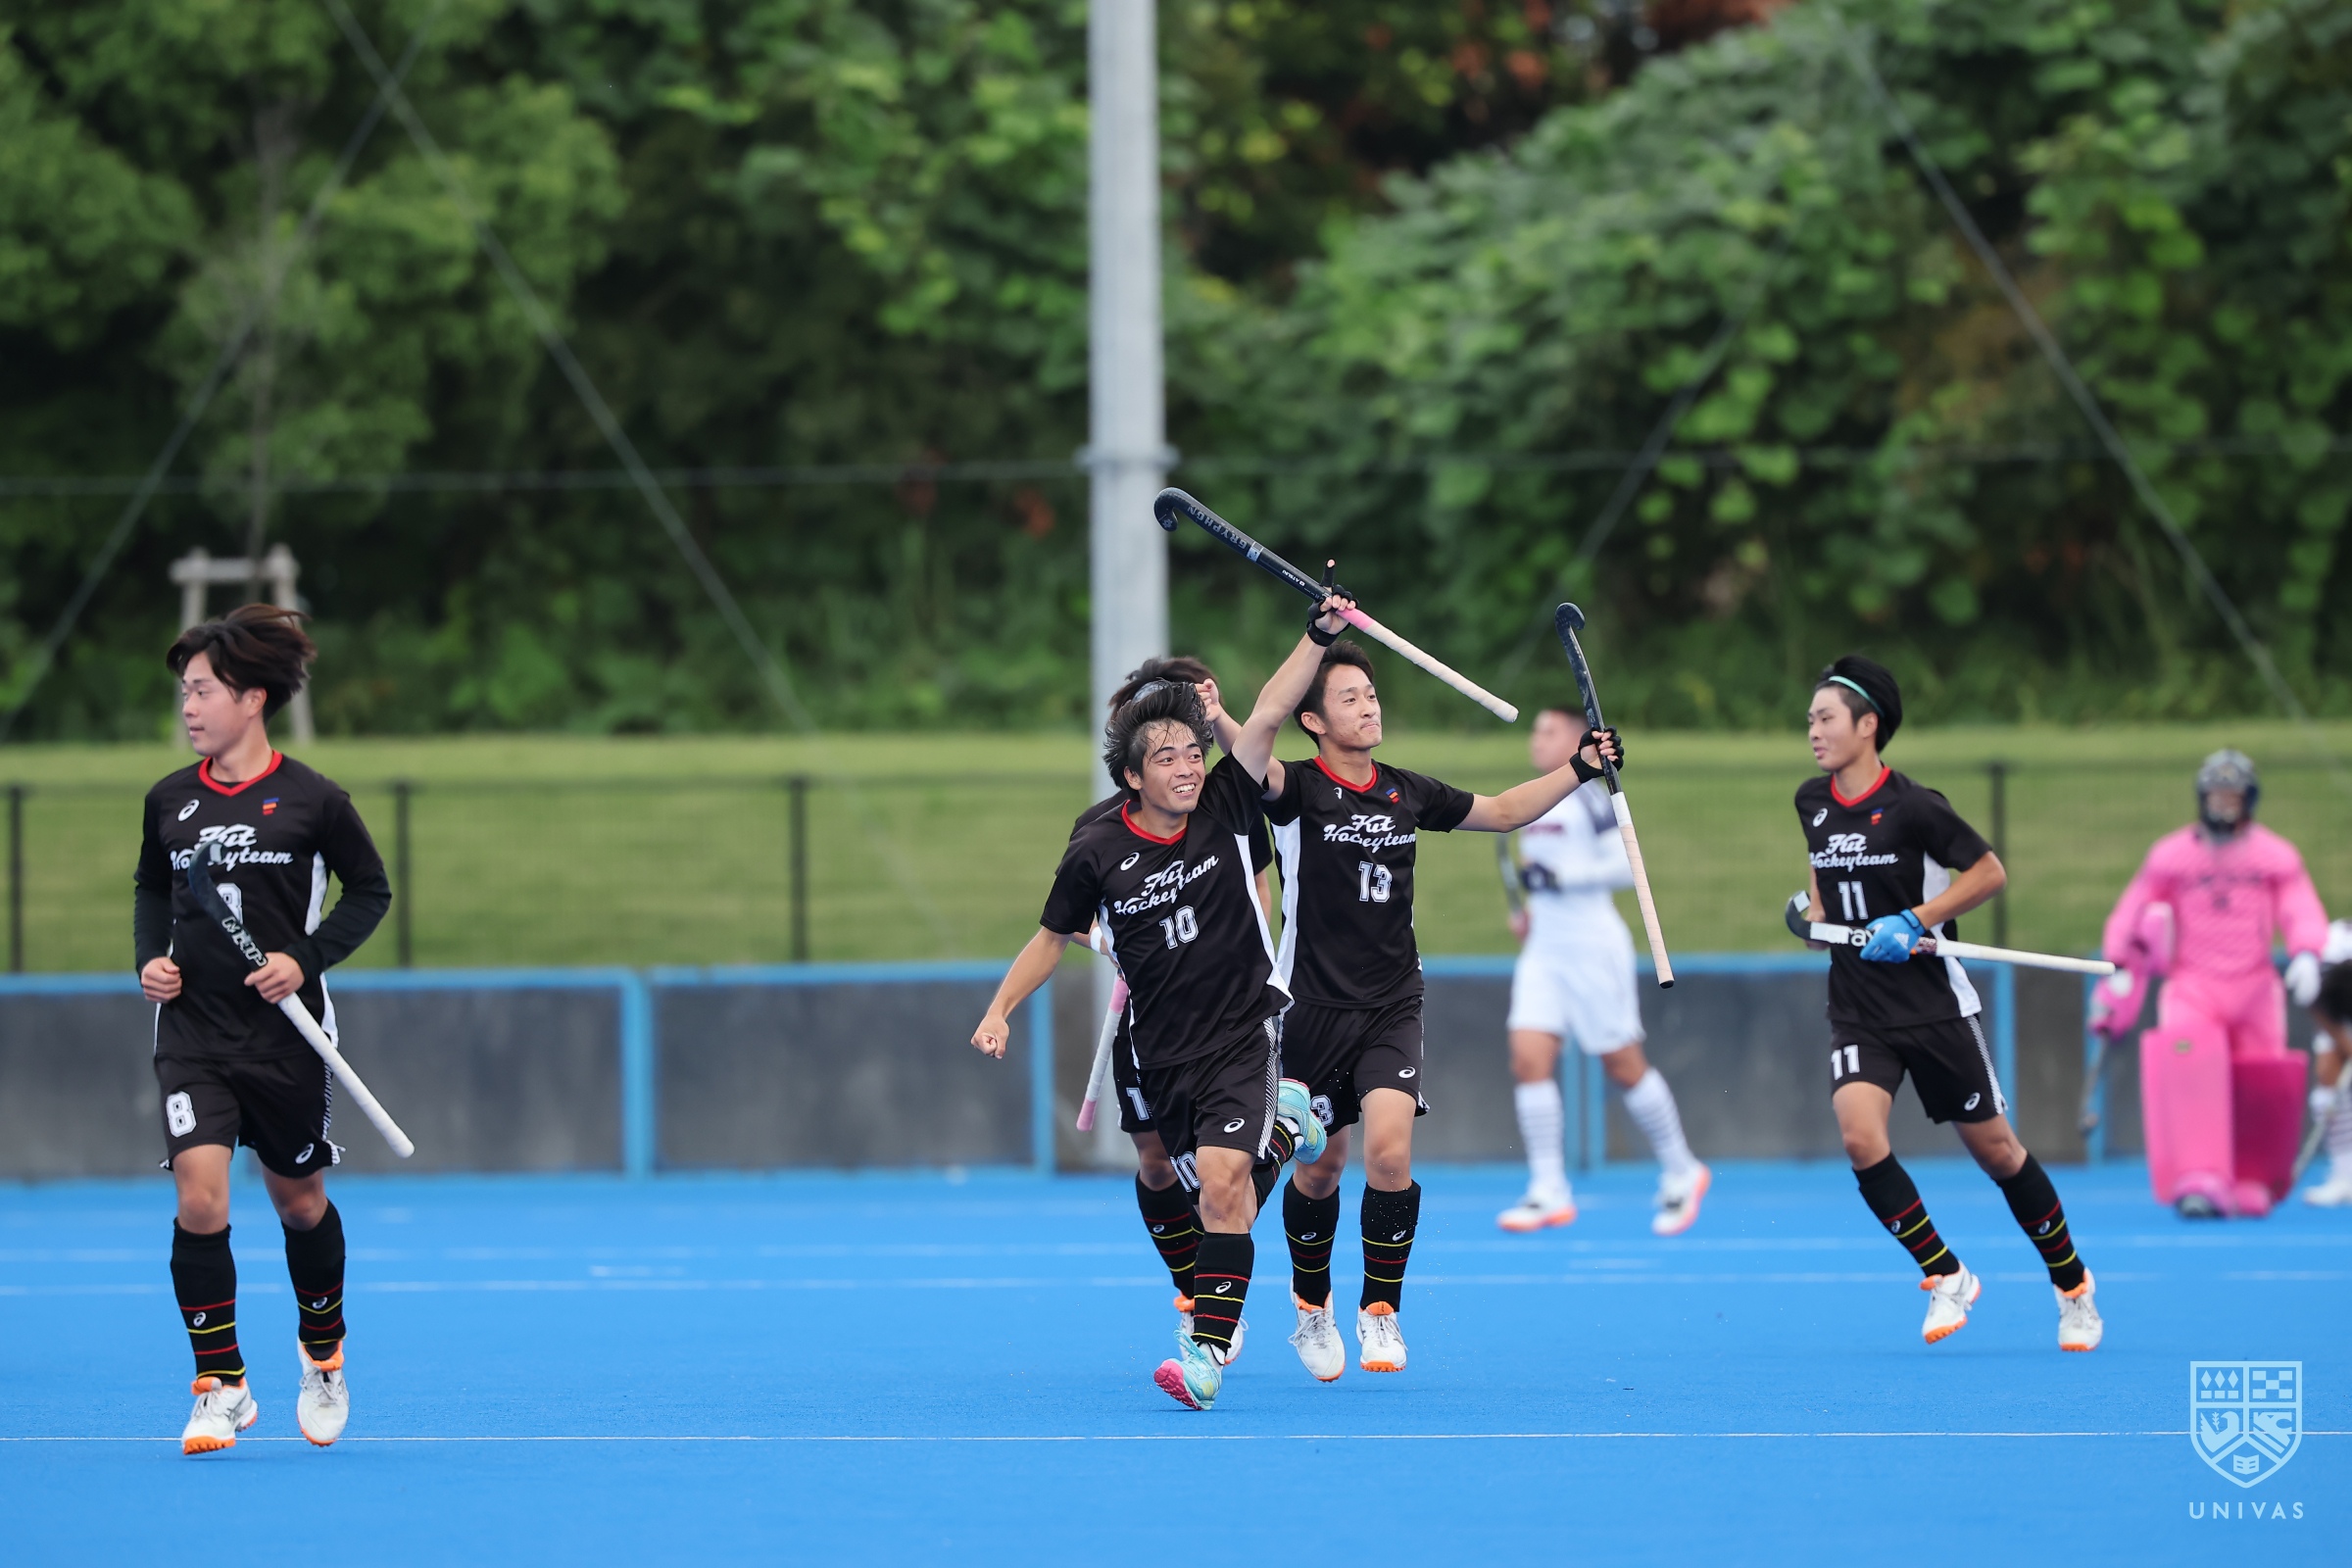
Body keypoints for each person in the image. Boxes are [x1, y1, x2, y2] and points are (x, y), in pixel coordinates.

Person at [970, 593, 1351, 1410]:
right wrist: (1000, 1008)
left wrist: (1318, 635)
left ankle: (1205, 1355)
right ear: (1132, 777)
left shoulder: (1226, 800)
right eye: (1167, 758)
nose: (1186, 767)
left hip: (1243, 1032)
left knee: (1221, 1185)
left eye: (1192, 752)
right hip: (1161, 1046)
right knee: (1205, 1185)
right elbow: (1051, 937)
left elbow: (1271, 713)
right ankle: (1288, 1129)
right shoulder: (1096, 847)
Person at [1259, 642, 1622, 1381]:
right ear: (1314, 720)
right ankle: (1311, 1304)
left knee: (1390, 1155)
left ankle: (1380, 1310)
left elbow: (1505, 811)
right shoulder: (1292, 790)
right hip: (1311, 1009)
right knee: (1321, 1169)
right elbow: (1258, 729)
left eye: (1371, 694)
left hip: (1392, 1003)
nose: (1369, 706)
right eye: (1350, 698)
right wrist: (1310, 643)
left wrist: (1580, 767)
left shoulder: (1406, 790)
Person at [135, 606, 391, 1453]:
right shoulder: (169, 800)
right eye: (184, 691)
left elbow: (370, 891)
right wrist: (150, 959)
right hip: (194, 1035)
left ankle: (324, 1354)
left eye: (202, 690)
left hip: (288, 1038)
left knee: (299, 1203)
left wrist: (304, 960)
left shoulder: (314, 799)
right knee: (200, 1198)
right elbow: (151, 889)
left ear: (251, 698)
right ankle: (221, 1383)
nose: (188, 706)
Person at [1797, 656, 2101, 1351]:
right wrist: (1811, 920)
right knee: (1859, 1136)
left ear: (1868, 725)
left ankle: (2072, 1285)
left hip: (1934, 1007)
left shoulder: (1915, 806)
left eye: (1826, 718)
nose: (1813, 730)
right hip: (1858, 1008)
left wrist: (1916, 920)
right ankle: (1946, 1273)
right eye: (1810, 719)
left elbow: (1989, 872)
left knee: (1998, 1153)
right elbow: (1822, 891)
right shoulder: (1811, 802)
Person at [1078, 657, 1285, 1353]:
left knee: (1220, 1181)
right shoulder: (1097, 828)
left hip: (1225, 1015)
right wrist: (1109, 940)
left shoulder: (1218, 804)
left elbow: (1257, 886)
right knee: (1157, 1162)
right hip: (1150, 1019)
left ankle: (1212, 1318)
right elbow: (1073, 918)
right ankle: (1195, 1287)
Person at [1495, 705, 1711, 1238]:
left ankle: (1682, 1169)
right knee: (1528, 1058)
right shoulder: (1536, 798)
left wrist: (1563, 878)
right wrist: (1533, 910)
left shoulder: (1593, 798)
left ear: (1574, 737)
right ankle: (1548, 1187)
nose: (1536, 739)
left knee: (1622, 1063)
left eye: (1548, 730)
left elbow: (1622, 865)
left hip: (1593, 948)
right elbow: (1538, 874)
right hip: (1545, 949)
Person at [2096, 751, 2327, 1218]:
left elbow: (2299, 904)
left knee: (2259, 1081)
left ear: (2249, 800)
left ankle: (2252, 1176)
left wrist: (2307, 949)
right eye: (2217, 795)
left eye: (2233, 796)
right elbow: (2135, 908)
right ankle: (2200, 1175)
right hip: (2193, 985)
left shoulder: (2275, 855)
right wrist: (2118, 961)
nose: (2224, 804)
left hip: (2255, 986)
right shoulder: (2171, 855)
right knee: (2194, 1075)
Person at [2302, 919, 2352, 1207]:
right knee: (2327, 1079)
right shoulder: (2331, 941)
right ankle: (2345, 1176)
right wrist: (2344, 1041)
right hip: (2336, 1017)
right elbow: (2314, 999)